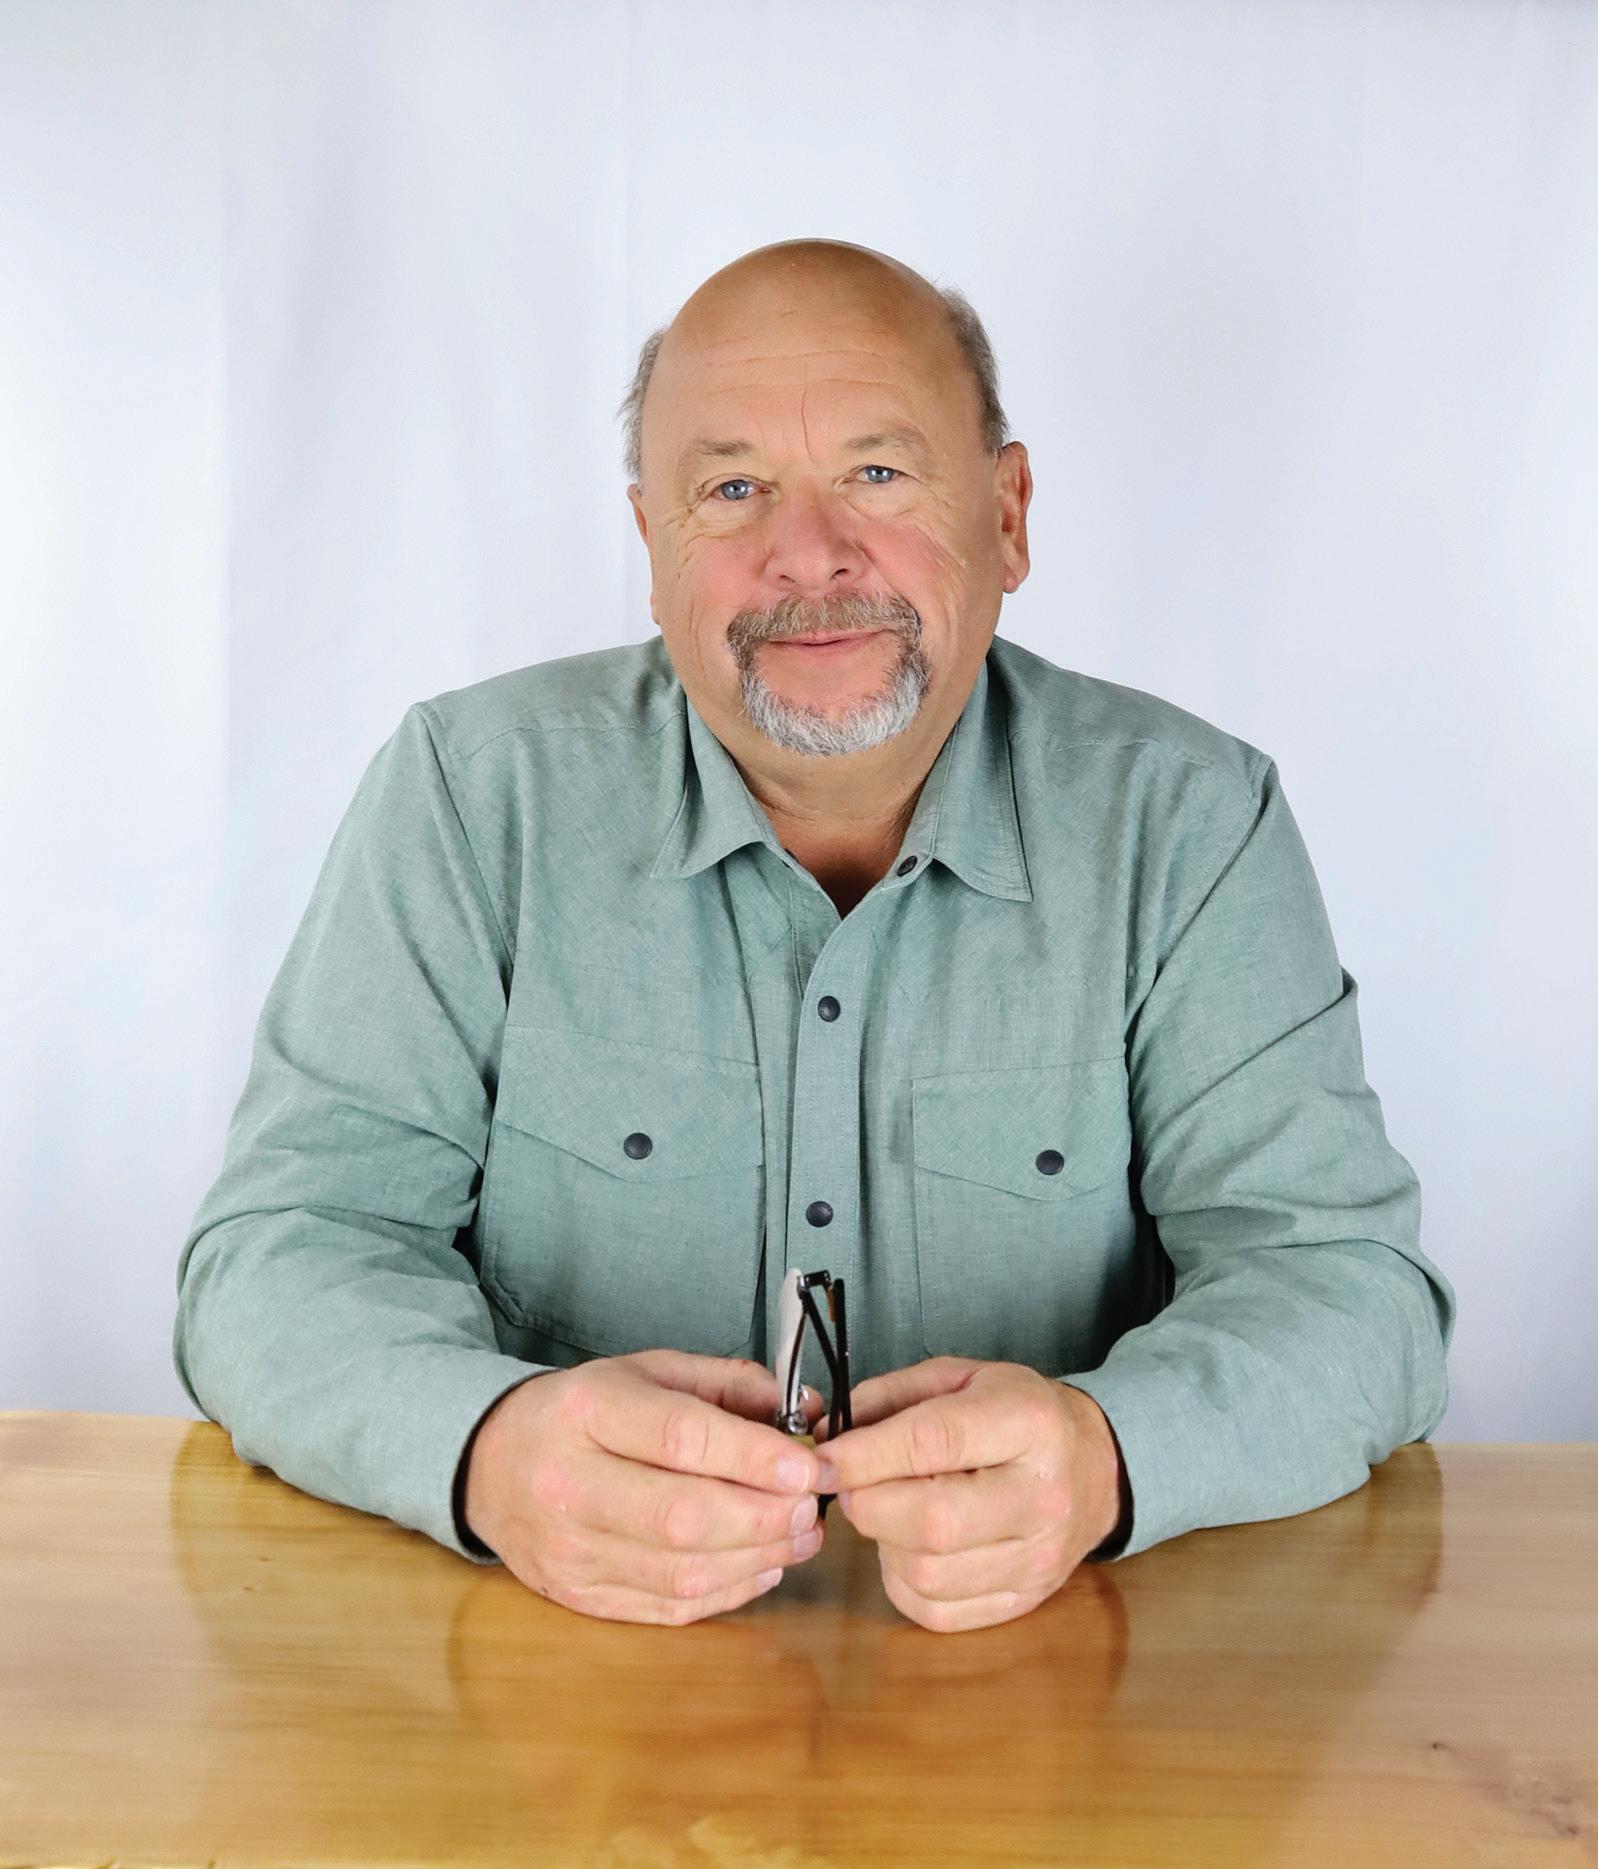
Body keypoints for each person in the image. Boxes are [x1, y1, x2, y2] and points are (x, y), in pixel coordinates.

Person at [173, 237, 1456, 1633]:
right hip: (565, 1666)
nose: (806, 554)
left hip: (1053, 1668)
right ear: (652, 546)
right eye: (731, 490)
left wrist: (1110, 1459)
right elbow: (283, 1250)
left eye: (879, 473)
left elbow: (1345, 1290)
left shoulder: (1191, 821)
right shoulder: (474, 798)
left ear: (1008, 517)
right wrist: (483, 1449)